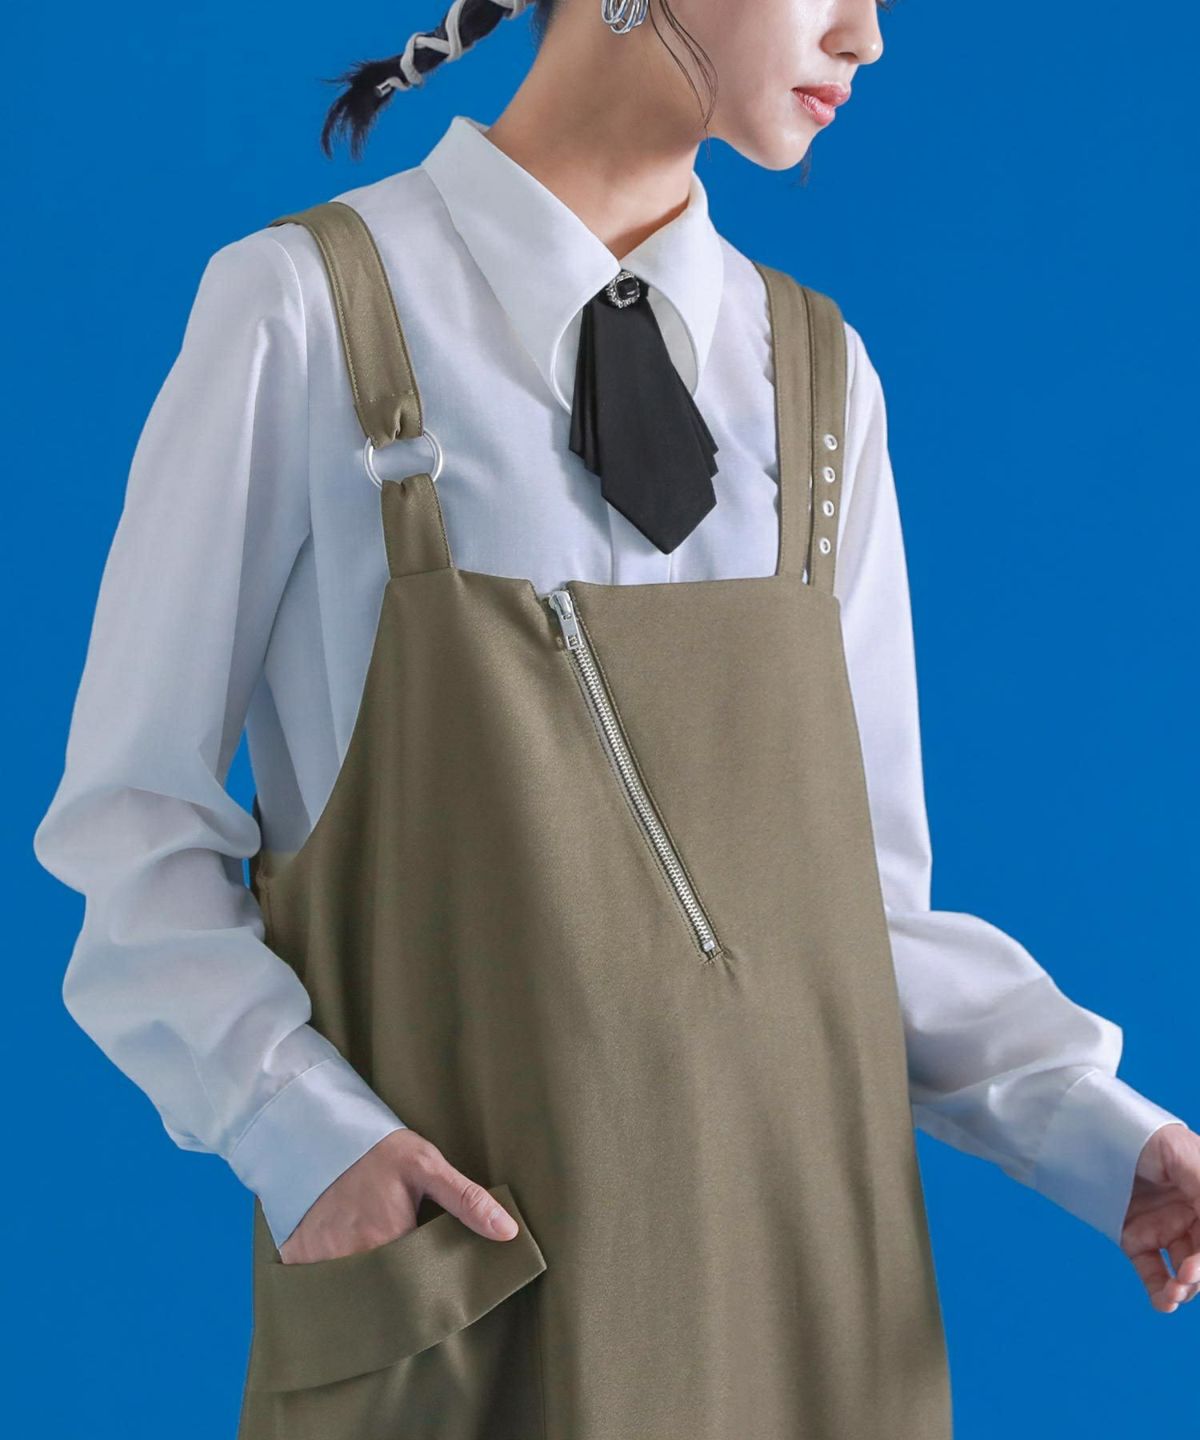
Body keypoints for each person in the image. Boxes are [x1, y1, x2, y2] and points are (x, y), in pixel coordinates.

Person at [33, 1, 1198, 1435]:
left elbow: (858, 915)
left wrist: (1106, 1136)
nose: (865, 36)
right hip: (481, 1309)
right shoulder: (307, 310)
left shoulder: (817, 376)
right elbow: (130, 832)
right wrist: (304, 1136)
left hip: (816, 1314)